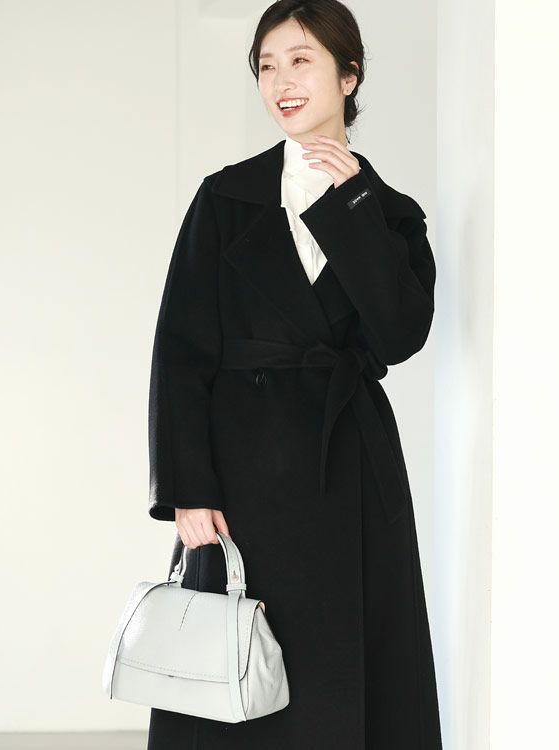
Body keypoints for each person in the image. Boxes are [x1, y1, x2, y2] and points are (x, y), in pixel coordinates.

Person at [146, 1, 443, 748]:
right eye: (267, 65)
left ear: (349, 76)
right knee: (234, 676)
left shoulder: (390, 212)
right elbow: (181, 351)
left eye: (301, 61)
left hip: (350, 466)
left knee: (350, 683)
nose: (281, 81)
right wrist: (187, 490)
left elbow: (402, 336)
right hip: (242, 477)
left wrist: (352, 207)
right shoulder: (226, 198)